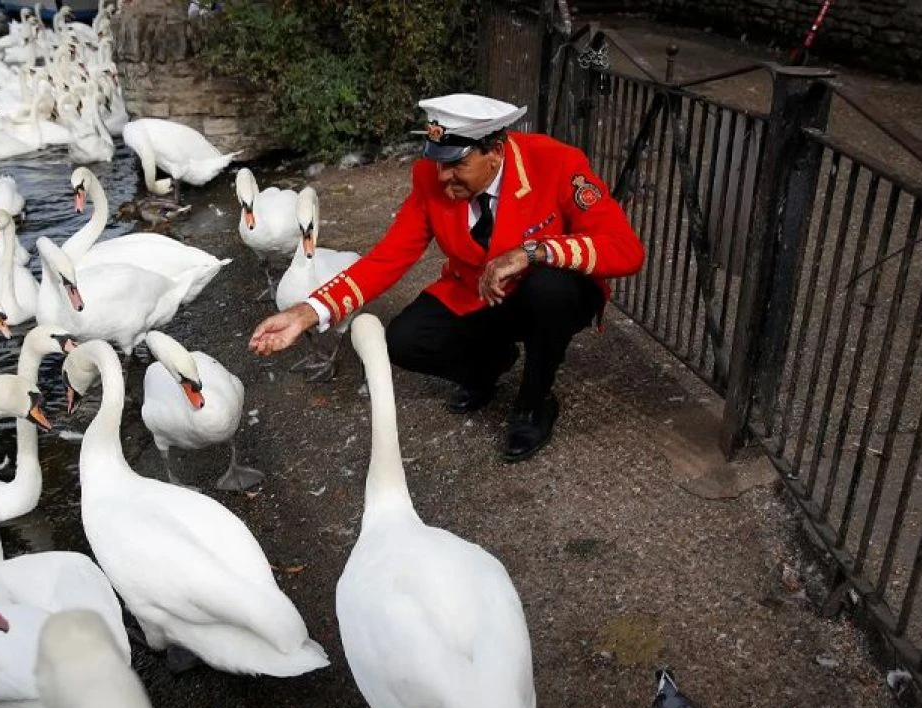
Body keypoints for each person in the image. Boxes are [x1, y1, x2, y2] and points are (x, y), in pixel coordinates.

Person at [249, 93, 644, 462]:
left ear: (495, 152)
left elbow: (627, 249)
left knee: (550, 289)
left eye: (456, 164)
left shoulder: (556, 163)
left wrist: (534, 252)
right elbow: (387, 257)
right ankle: (489, 367)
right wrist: (306, 312)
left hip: (546, 296)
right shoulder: (430, 178)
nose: (442, 176)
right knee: (403, 340)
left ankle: (534, 402)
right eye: (439, 162)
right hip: (477, 292)